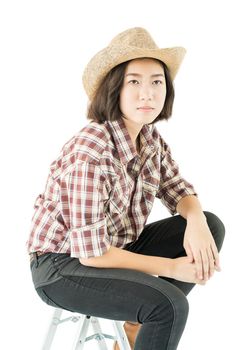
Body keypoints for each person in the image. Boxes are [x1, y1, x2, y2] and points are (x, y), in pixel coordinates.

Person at [26, 27, 225, 350]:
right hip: (62, 267)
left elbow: (177, 189)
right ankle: (148, 316)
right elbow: (90, 253)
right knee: (169, 305)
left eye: (156, 82)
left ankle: (133, 332)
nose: (147, 93)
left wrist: (198, 222)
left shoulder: (149, 140)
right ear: (114, 89)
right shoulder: (91, 150)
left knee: (210, 223)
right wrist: (172, 268)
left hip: (116, 248)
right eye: (134, 82)